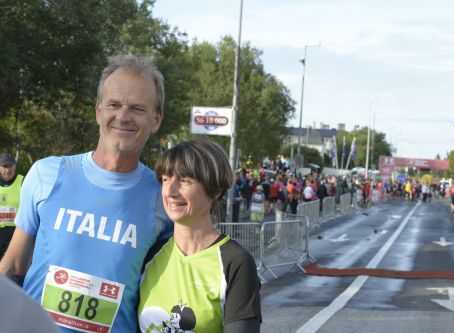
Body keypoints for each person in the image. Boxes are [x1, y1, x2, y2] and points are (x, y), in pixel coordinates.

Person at [0, 55, 171, 333]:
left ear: (156, 119)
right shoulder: (47, 173)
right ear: (98, 111)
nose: (123, 116)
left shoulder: (163, 199)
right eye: (114, 105)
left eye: (137, 108)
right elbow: (14, 263)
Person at [139, 139, 261, 333]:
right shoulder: (151, 252)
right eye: (165, 179)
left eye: (184, 180)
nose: (170, 191)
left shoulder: (235, 262)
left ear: (215, 190)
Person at [0, 153, 23, 264]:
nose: (8, 170)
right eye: (4, 166)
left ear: (14, 166)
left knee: (12, 268)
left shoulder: (23, 181)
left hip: (16, 232)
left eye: (10, 166)